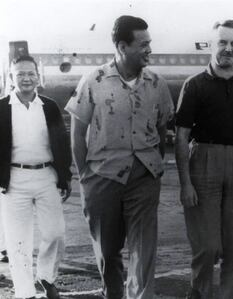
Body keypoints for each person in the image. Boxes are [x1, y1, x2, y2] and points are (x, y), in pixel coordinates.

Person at [66, 15, 174, 299]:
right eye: (143, 44)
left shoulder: (157, 84)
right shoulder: (94, 81)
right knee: (107, 251)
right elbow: (77, 133)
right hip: (103, 177)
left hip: (144, 177)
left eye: (150, 43)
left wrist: (155, 167)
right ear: (122, 46)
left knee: (144, 249)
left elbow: (163, 129)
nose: (149, 49)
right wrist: (86, 178)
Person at [175, 20, 233, 299]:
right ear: (212, 45)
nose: (229, 49)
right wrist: (185, 184)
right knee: (207, 246)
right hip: (204, 163)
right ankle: (199, 294)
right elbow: (181, 136)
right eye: (223, 42)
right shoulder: (194, 85)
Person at [0, 55, 72, 299]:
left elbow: (62, 143)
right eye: (20, 74)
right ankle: (24, 292)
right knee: (17, 241)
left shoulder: (49, 107)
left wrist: (65, 177)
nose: (26, 78)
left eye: (31, 73)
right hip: (14, 180)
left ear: (38, 77)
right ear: (11, 78)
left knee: (55, 233)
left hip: (46, 177)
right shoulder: (1, 108)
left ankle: (46, 276)